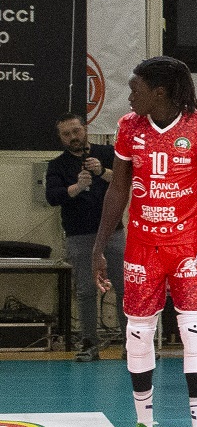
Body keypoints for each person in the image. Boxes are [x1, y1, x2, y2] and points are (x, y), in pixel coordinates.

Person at [93, 56, 197, 427]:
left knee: (194, 333)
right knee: (137, 335)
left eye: (135, 89)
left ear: (159, 92)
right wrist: (100, 246)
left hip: (188, 246)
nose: (129, 96)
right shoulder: (128, 127)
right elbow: (117, 189)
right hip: (141, 247)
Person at [45, 113, 124, 361]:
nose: (73, 137)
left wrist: (102, 171)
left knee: (124, 288)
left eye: (76, 131)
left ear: (85, 129)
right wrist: (77, 187)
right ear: (61, 138)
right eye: (66, 134)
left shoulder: (108, 153)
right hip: (79, 234)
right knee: (86, 290)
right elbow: (52, 197)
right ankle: (89, 344)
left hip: (113, 231)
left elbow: (127, 179)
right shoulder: (57, 165)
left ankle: (133, 344)